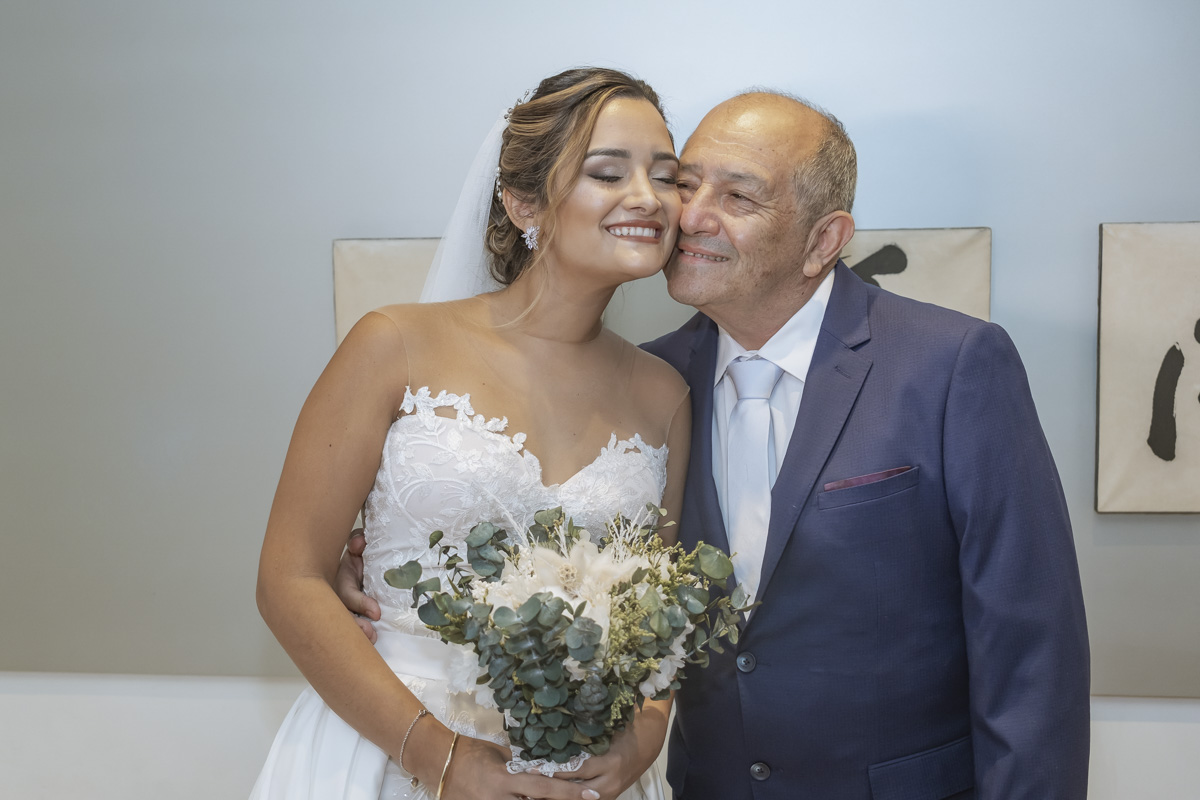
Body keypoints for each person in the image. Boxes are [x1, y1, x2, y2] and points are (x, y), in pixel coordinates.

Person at [340, 89, 1092, 799]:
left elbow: (1032, 648)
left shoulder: (951, 365)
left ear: (824, 240)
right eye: (686, 184)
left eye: (738, 198)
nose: (690, 216)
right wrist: (368, 552)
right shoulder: (654, 385)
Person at [252, 67, 691, 800]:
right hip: (387, 749)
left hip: (576, 774)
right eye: (608, 172)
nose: (648, 197)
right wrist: (437, 755)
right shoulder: (393, 344)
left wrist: (645, 732)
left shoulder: (664, 395)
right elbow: (288, 579)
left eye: (667, 176)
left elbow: (663, 616)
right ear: (523, 201)